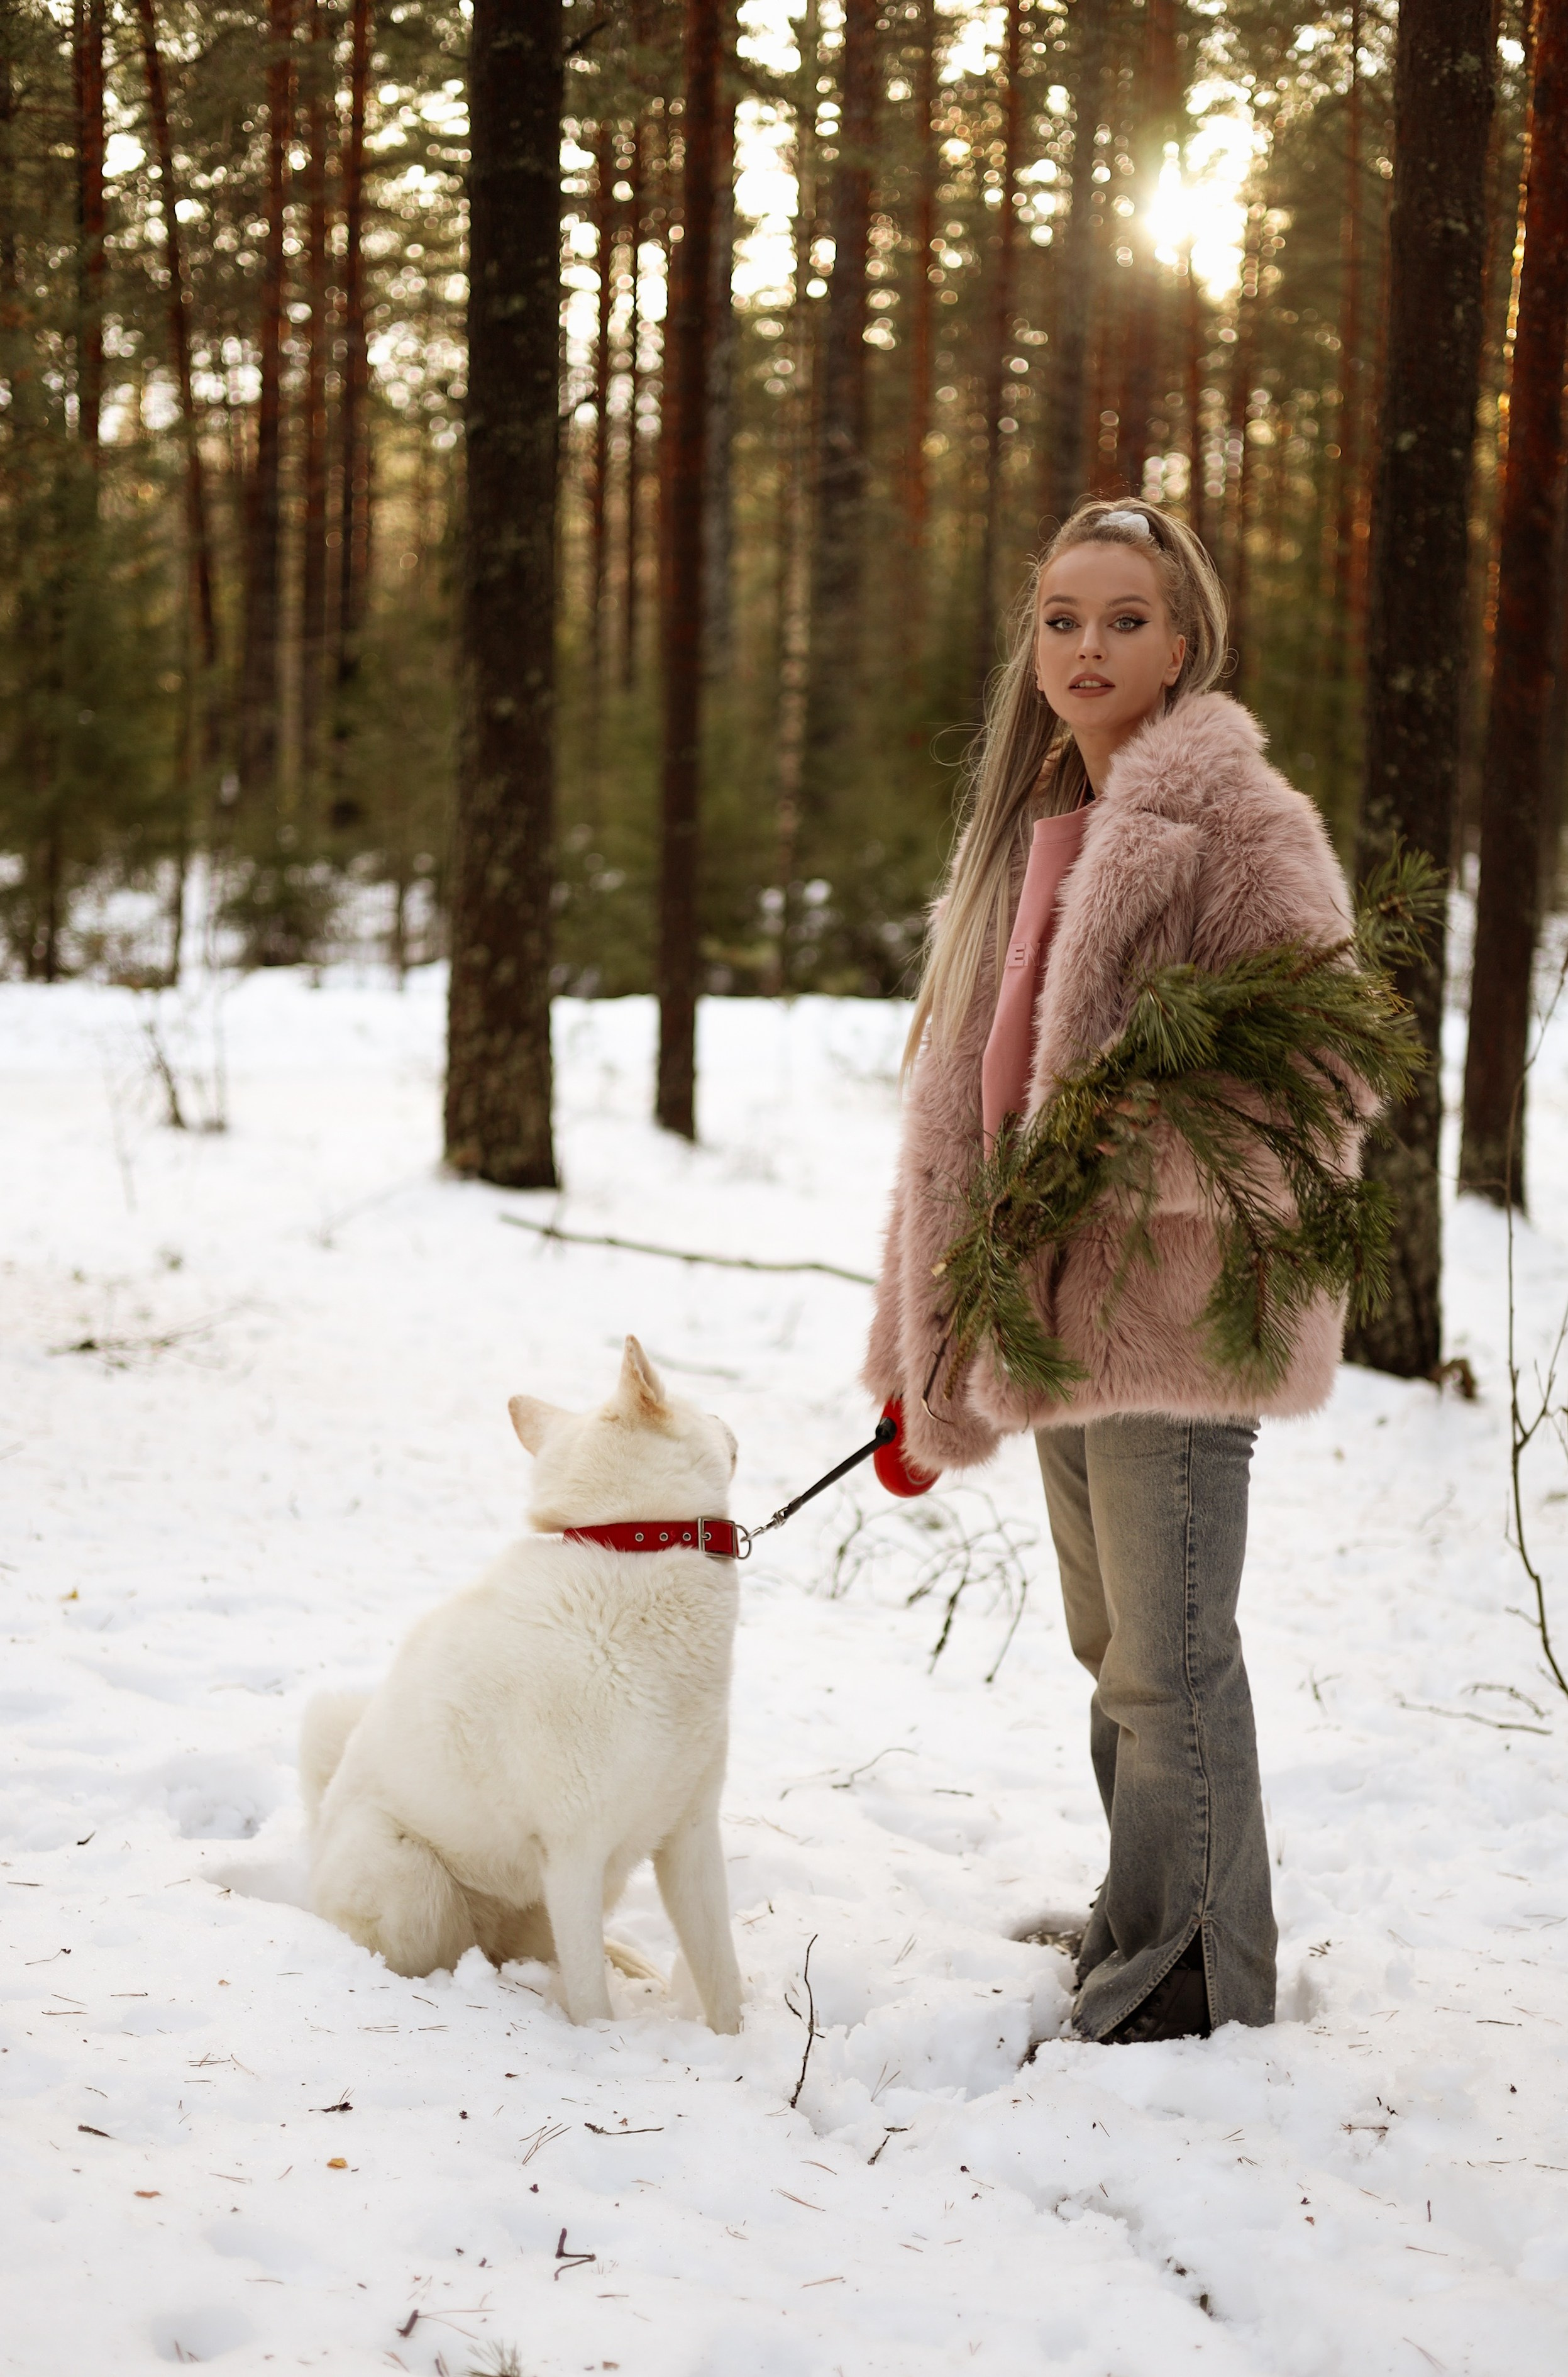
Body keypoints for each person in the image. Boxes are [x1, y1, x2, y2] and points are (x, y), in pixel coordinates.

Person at [864, 495, 1360, 2044]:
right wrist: (923, 1339)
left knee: (1169, 1651)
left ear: (1183, 639)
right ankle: (1150, 1909)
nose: (1085, 647)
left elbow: (1322, 1080)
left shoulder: (1238, 828)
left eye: (1122, 619)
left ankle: (1201, 1971)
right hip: (1053, 1318)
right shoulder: (1034, 832)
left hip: (1171, 1317)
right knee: (1113, 1649)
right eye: (1061, 618)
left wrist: (1100, 1158)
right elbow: (962, 1115)